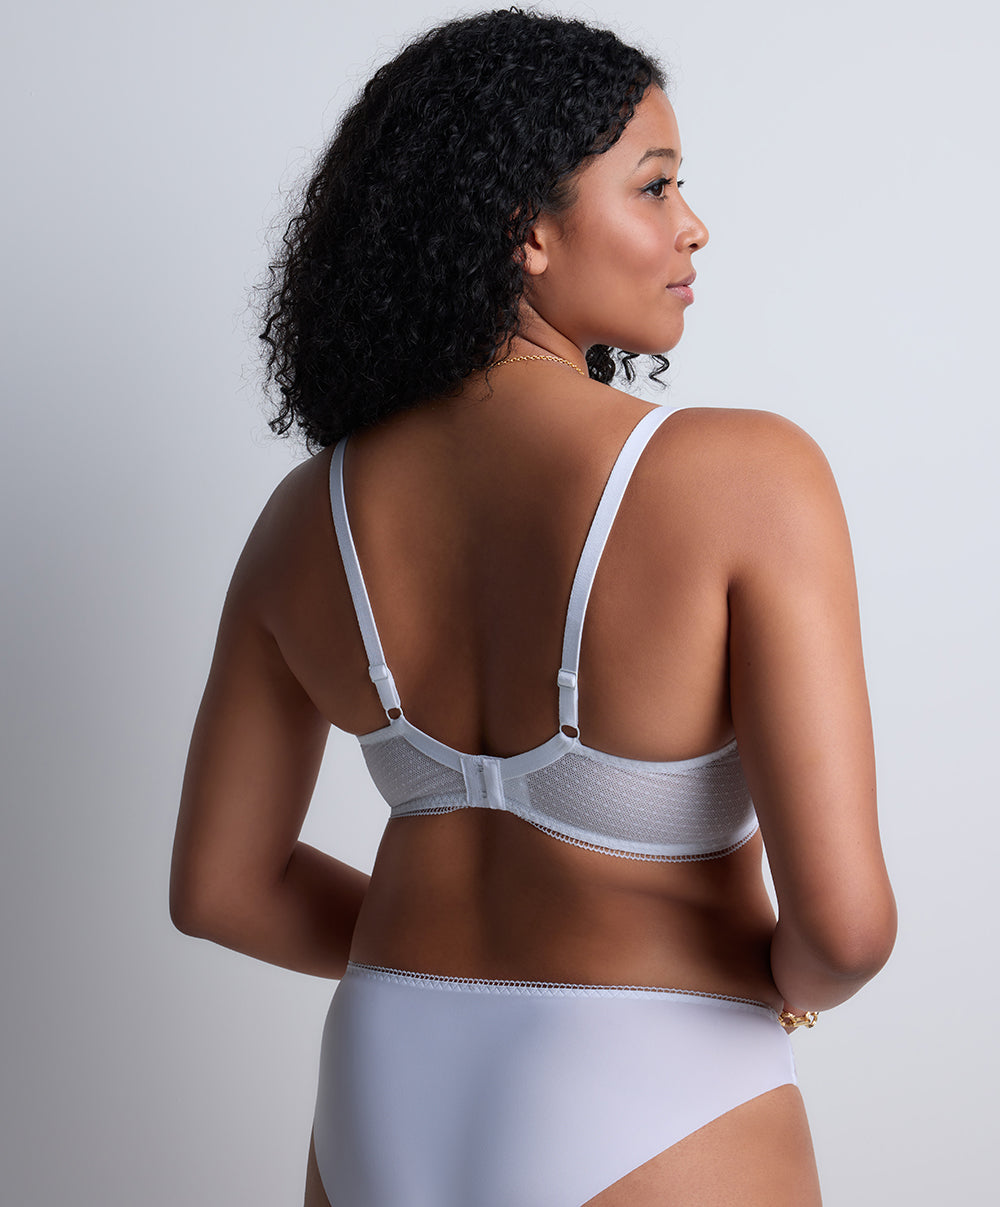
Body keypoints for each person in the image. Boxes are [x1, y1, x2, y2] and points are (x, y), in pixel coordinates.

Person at [169, 9, 896, 1205]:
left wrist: (454, 972)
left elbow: (220, 890)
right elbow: (846, 929)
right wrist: (777, 984)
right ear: (528, 232)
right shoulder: (746, 476)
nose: (692, 225)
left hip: (384, 1078)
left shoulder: (307, 517)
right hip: (657, 1075)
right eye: (654, 186)